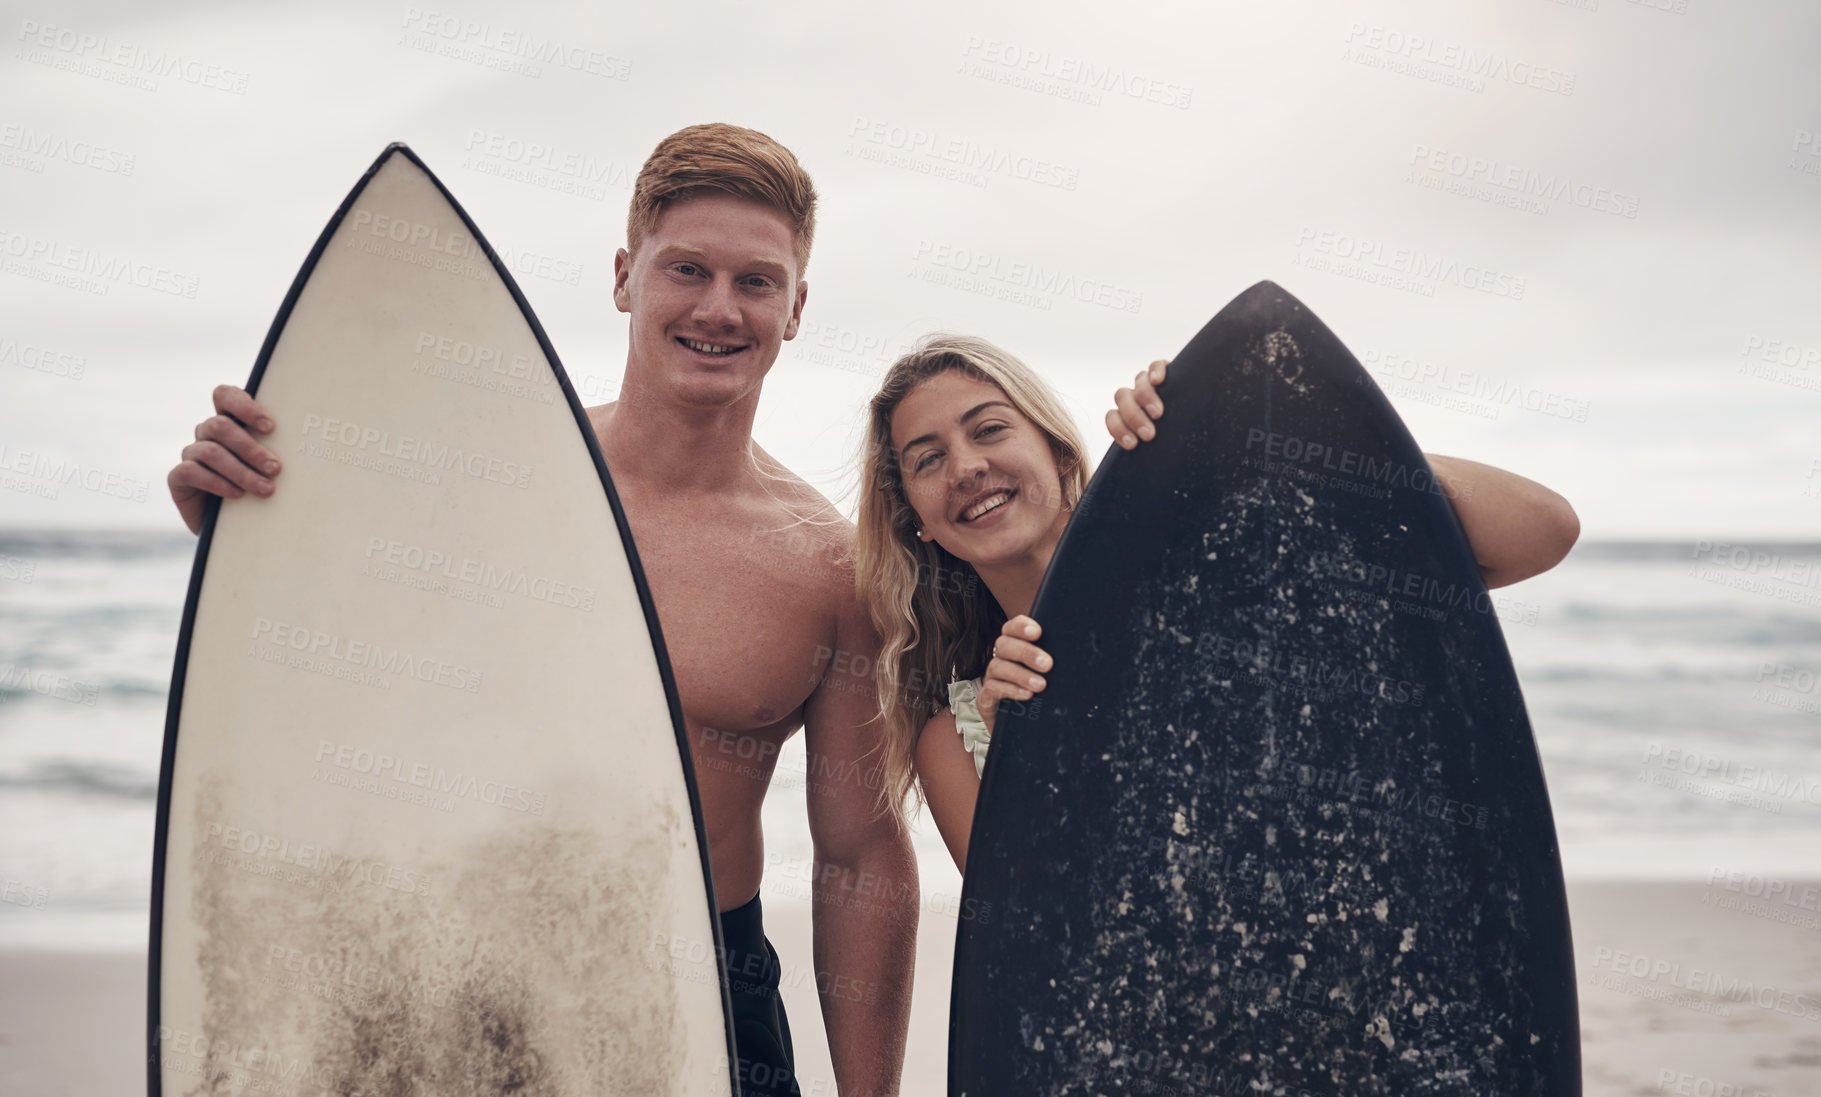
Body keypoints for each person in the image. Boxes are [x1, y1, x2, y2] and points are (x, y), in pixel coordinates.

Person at [166, 124, 917, 1097]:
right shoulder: (477, 481)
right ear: (623, 276)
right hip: (458, 964)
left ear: (797, 306)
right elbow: (331, 658)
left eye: (757, 281)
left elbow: (858, 853)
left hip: (705, 991)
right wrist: (238, 540)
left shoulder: (828, 565)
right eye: (686, 269)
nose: (720, 309)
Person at [853, 335, 1581, 871]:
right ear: (915, 516)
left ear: (1059, 452)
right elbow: (1029, 941)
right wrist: (1022, 751)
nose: (968, 466)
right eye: (927, 458)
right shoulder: (961, 734)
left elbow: (1540, 530)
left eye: (988, 429)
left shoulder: (1225, 577)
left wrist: (1238, 450)